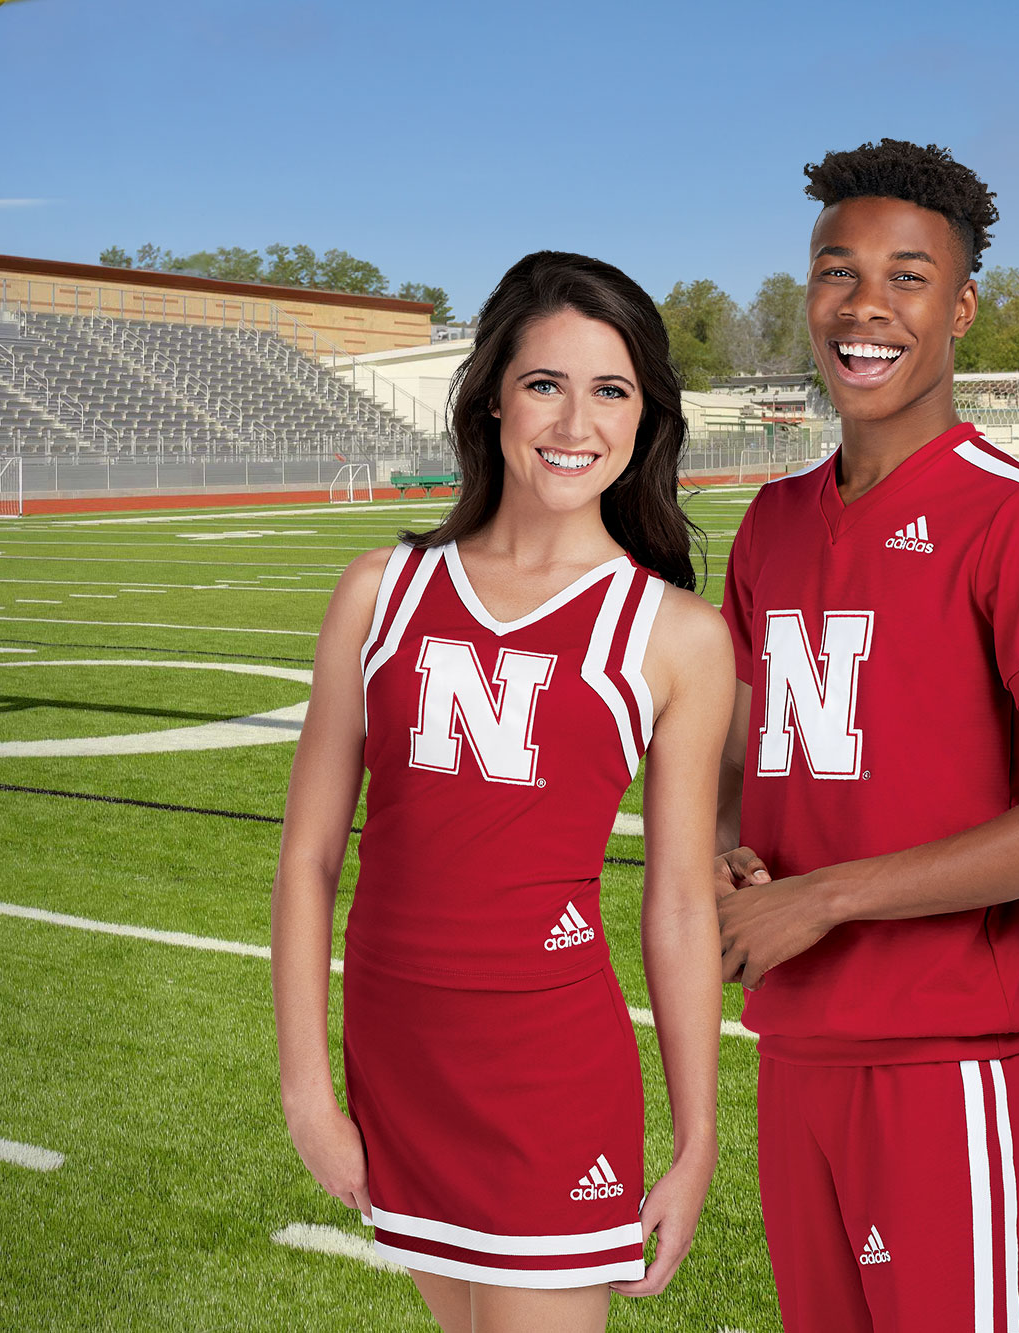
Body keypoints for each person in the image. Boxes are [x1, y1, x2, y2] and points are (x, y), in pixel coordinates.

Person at [713, 140, 1019, 1332]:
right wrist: (715, 852)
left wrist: (826, 896)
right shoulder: (768, 520)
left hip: (940, 1050)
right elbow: (733, 759)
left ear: (958, 311)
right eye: (834, 272)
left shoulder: (1012, 515)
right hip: (793, 1038)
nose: (863, 306)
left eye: (905, 277)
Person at [272, 251, 731, 1332]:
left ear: (645, 416)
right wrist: (307, 1094)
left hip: (549, 1073)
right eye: (543, 384)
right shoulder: (379, 591)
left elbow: (676, 903)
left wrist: (696, 1139)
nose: (575, 422)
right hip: (399, 1068)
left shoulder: (675, 634)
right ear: (490, 397)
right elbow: (308, 859)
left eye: (610, 389)